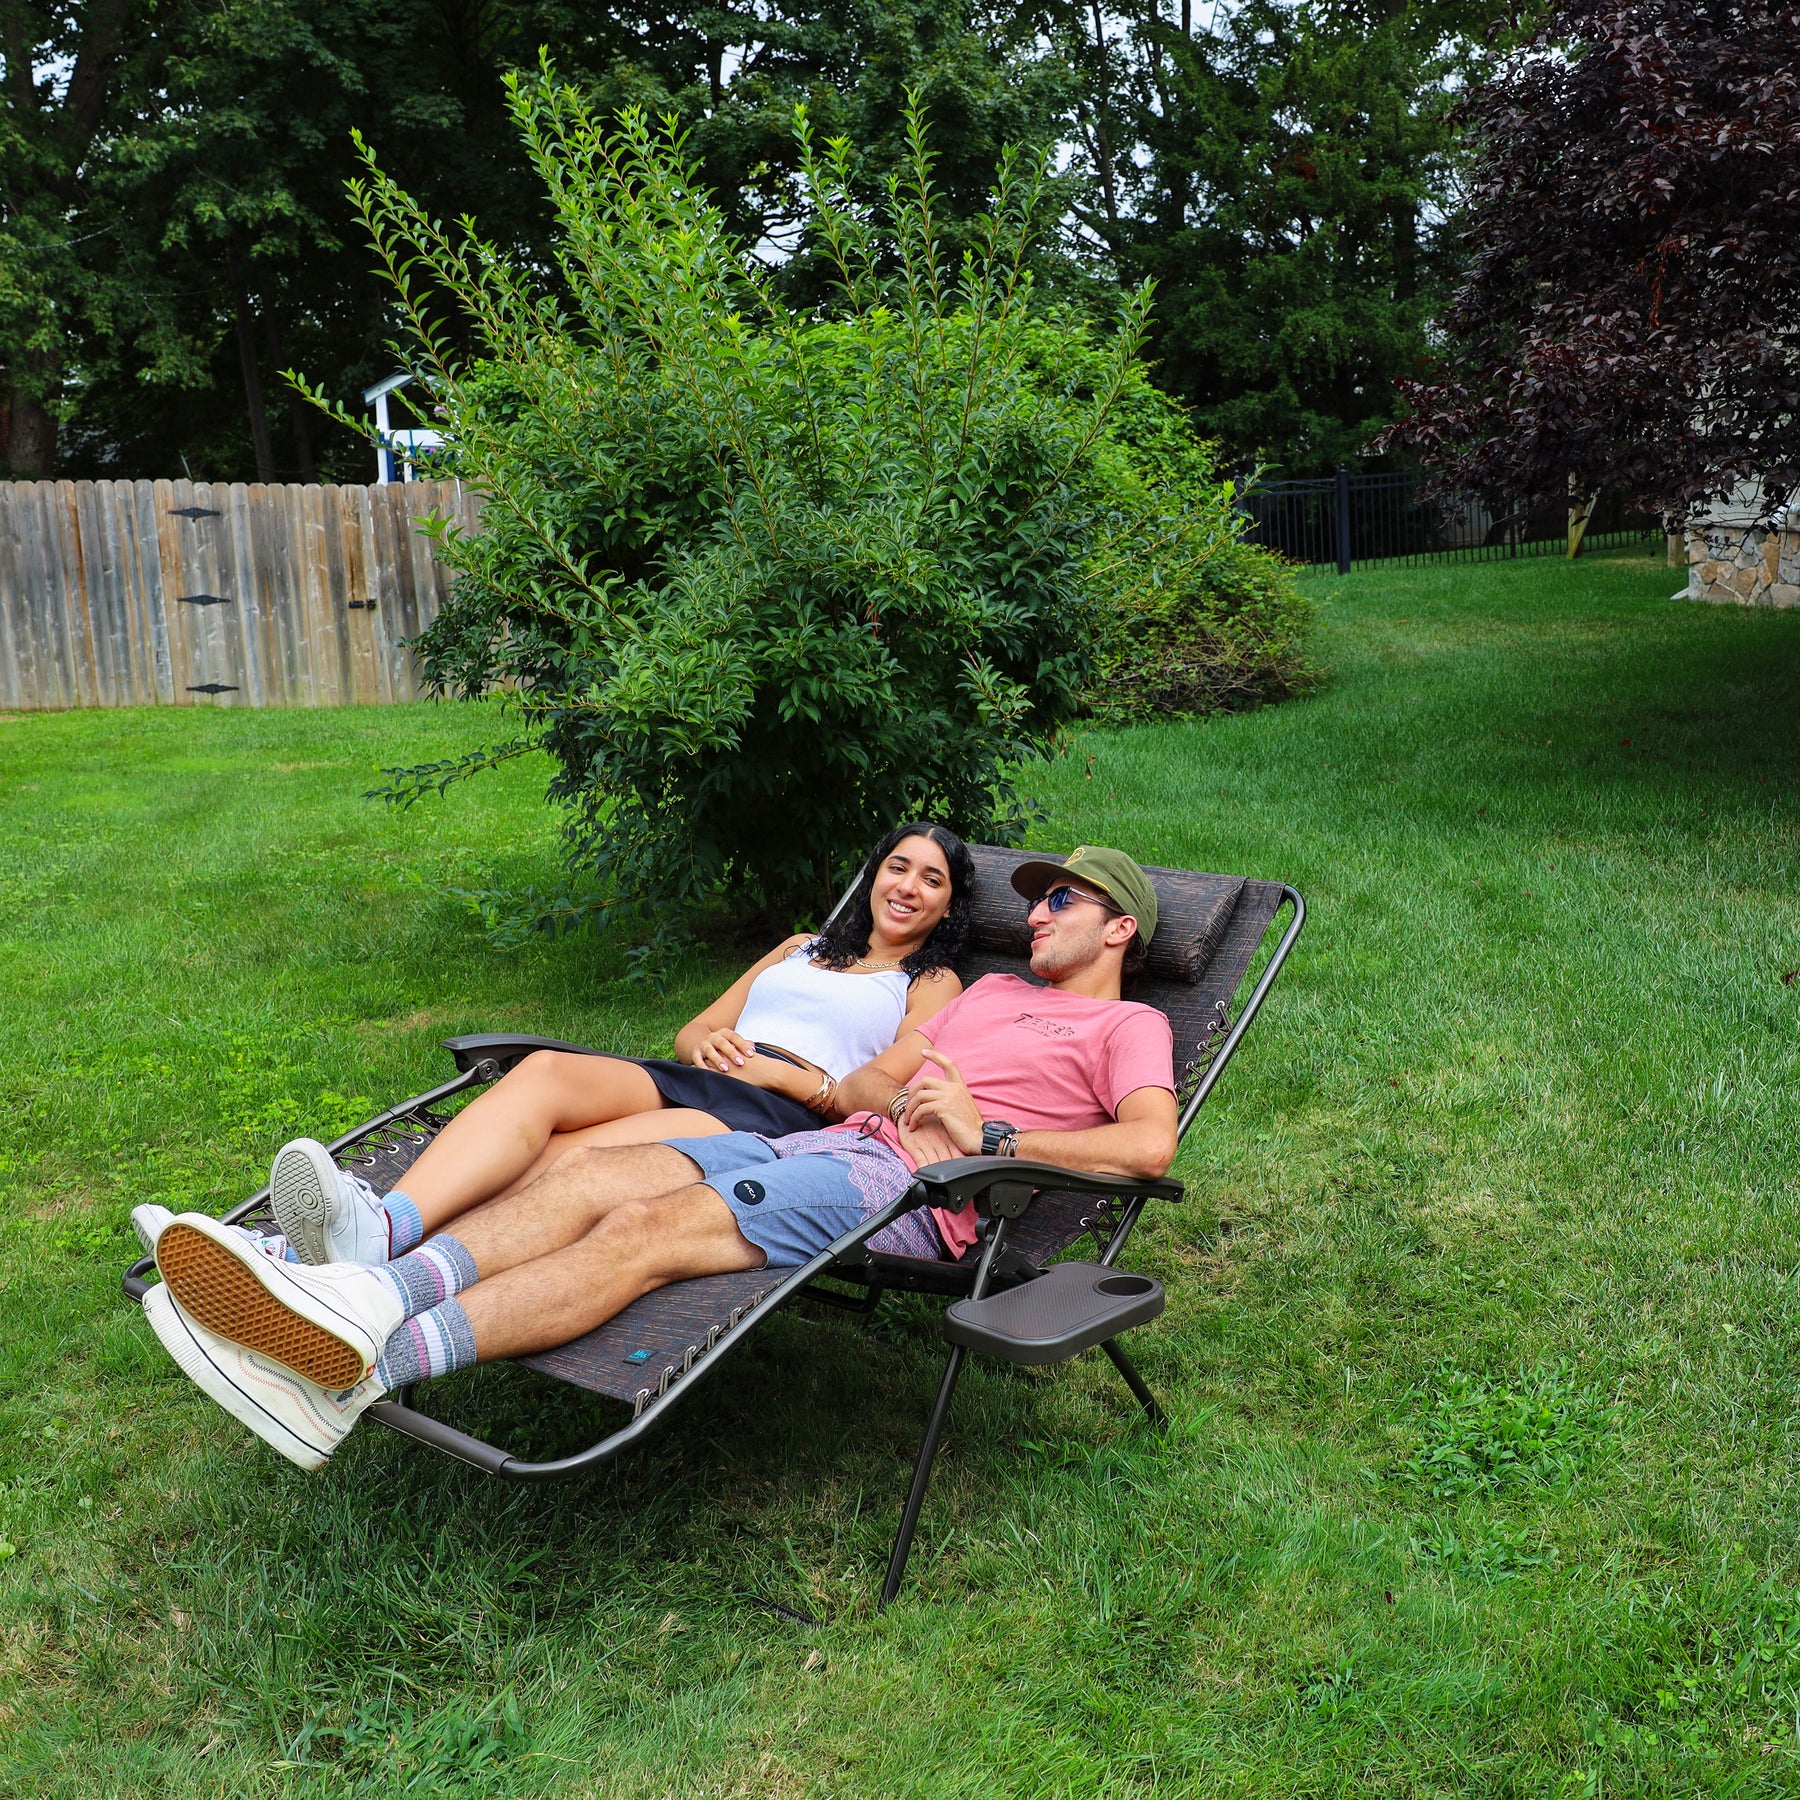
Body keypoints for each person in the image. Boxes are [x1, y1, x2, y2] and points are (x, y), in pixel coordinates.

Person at [143, 846, 1180, 1472]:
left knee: (649, 1230)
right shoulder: (991, 995)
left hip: (913, 1188)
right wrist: (822, 1070)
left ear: (1119, 927)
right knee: (590, 1178)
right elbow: (869, 1084)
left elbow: (1148, 1146)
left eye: (1061, 904)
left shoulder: (1128, 1026)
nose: (1033, 915)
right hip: (830, 1139)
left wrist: (989, 1137)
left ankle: (359, 1371)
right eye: (1035, 901)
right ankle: (366, 1293)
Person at [132, 823, 972, 1266]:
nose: (908, 887)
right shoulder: (797, 945)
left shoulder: (930, 984)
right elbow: (692, 1028)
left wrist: (791, 1079)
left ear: (945, 909)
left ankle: (337, 1256)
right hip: (695, 1077)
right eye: (898, 868)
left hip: (770, 1116)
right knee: (540, 1078)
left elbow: (875, 1089)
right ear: (873, 877)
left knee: (569, 1162)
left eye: (930, 880)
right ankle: (377, 1227)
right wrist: (713, 1042)